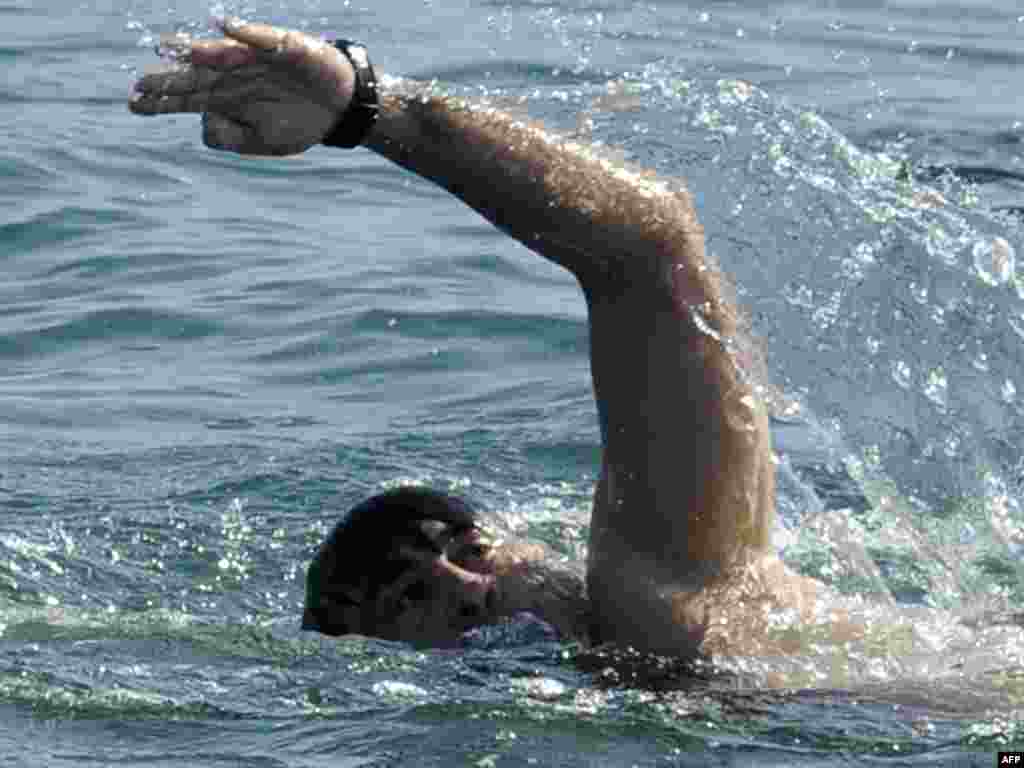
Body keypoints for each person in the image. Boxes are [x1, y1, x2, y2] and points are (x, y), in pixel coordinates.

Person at [130, 18, 825, 659]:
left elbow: (649, 248)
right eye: (413, 598)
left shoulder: (659, 605)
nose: (470, 590)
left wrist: (367, 108)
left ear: (528, 541)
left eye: (471, 549)